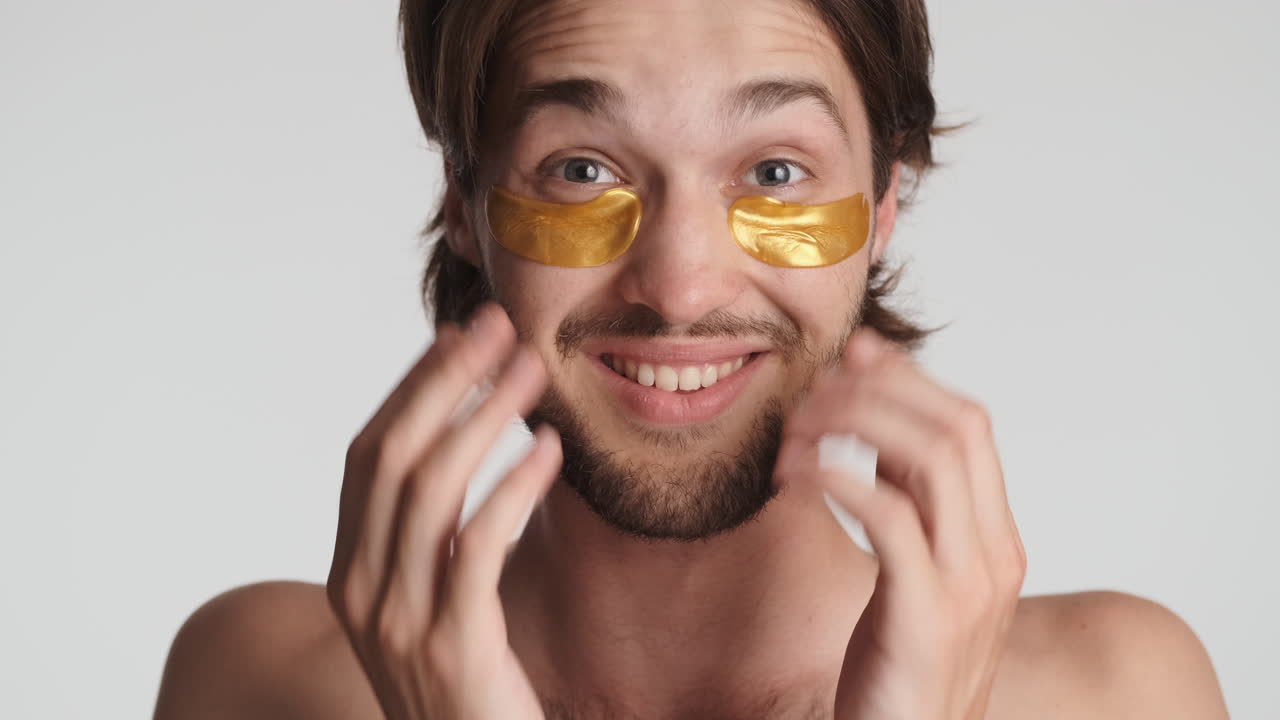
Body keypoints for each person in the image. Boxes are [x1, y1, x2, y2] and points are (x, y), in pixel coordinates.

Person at [154, 0, 1231, 718]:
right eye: (581, 169)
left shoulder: (1120, 694)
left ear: (882, 206)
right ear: (466, 205)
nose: (678, 286)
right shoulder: (259, 683)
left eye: (774, 171)